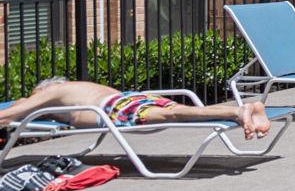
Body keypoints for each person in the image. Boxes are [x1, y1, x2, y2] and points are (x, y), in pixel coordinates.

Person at [0, 78, 272, 139]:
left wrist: (26, 104)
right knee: (176, 110)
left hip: (116, 108)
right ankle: (244, 109)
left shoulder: (53, 93)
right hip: (131, 99)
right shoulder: (78, 87)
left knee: (174, 114)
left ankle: (237, 112)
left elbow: (10, 114)